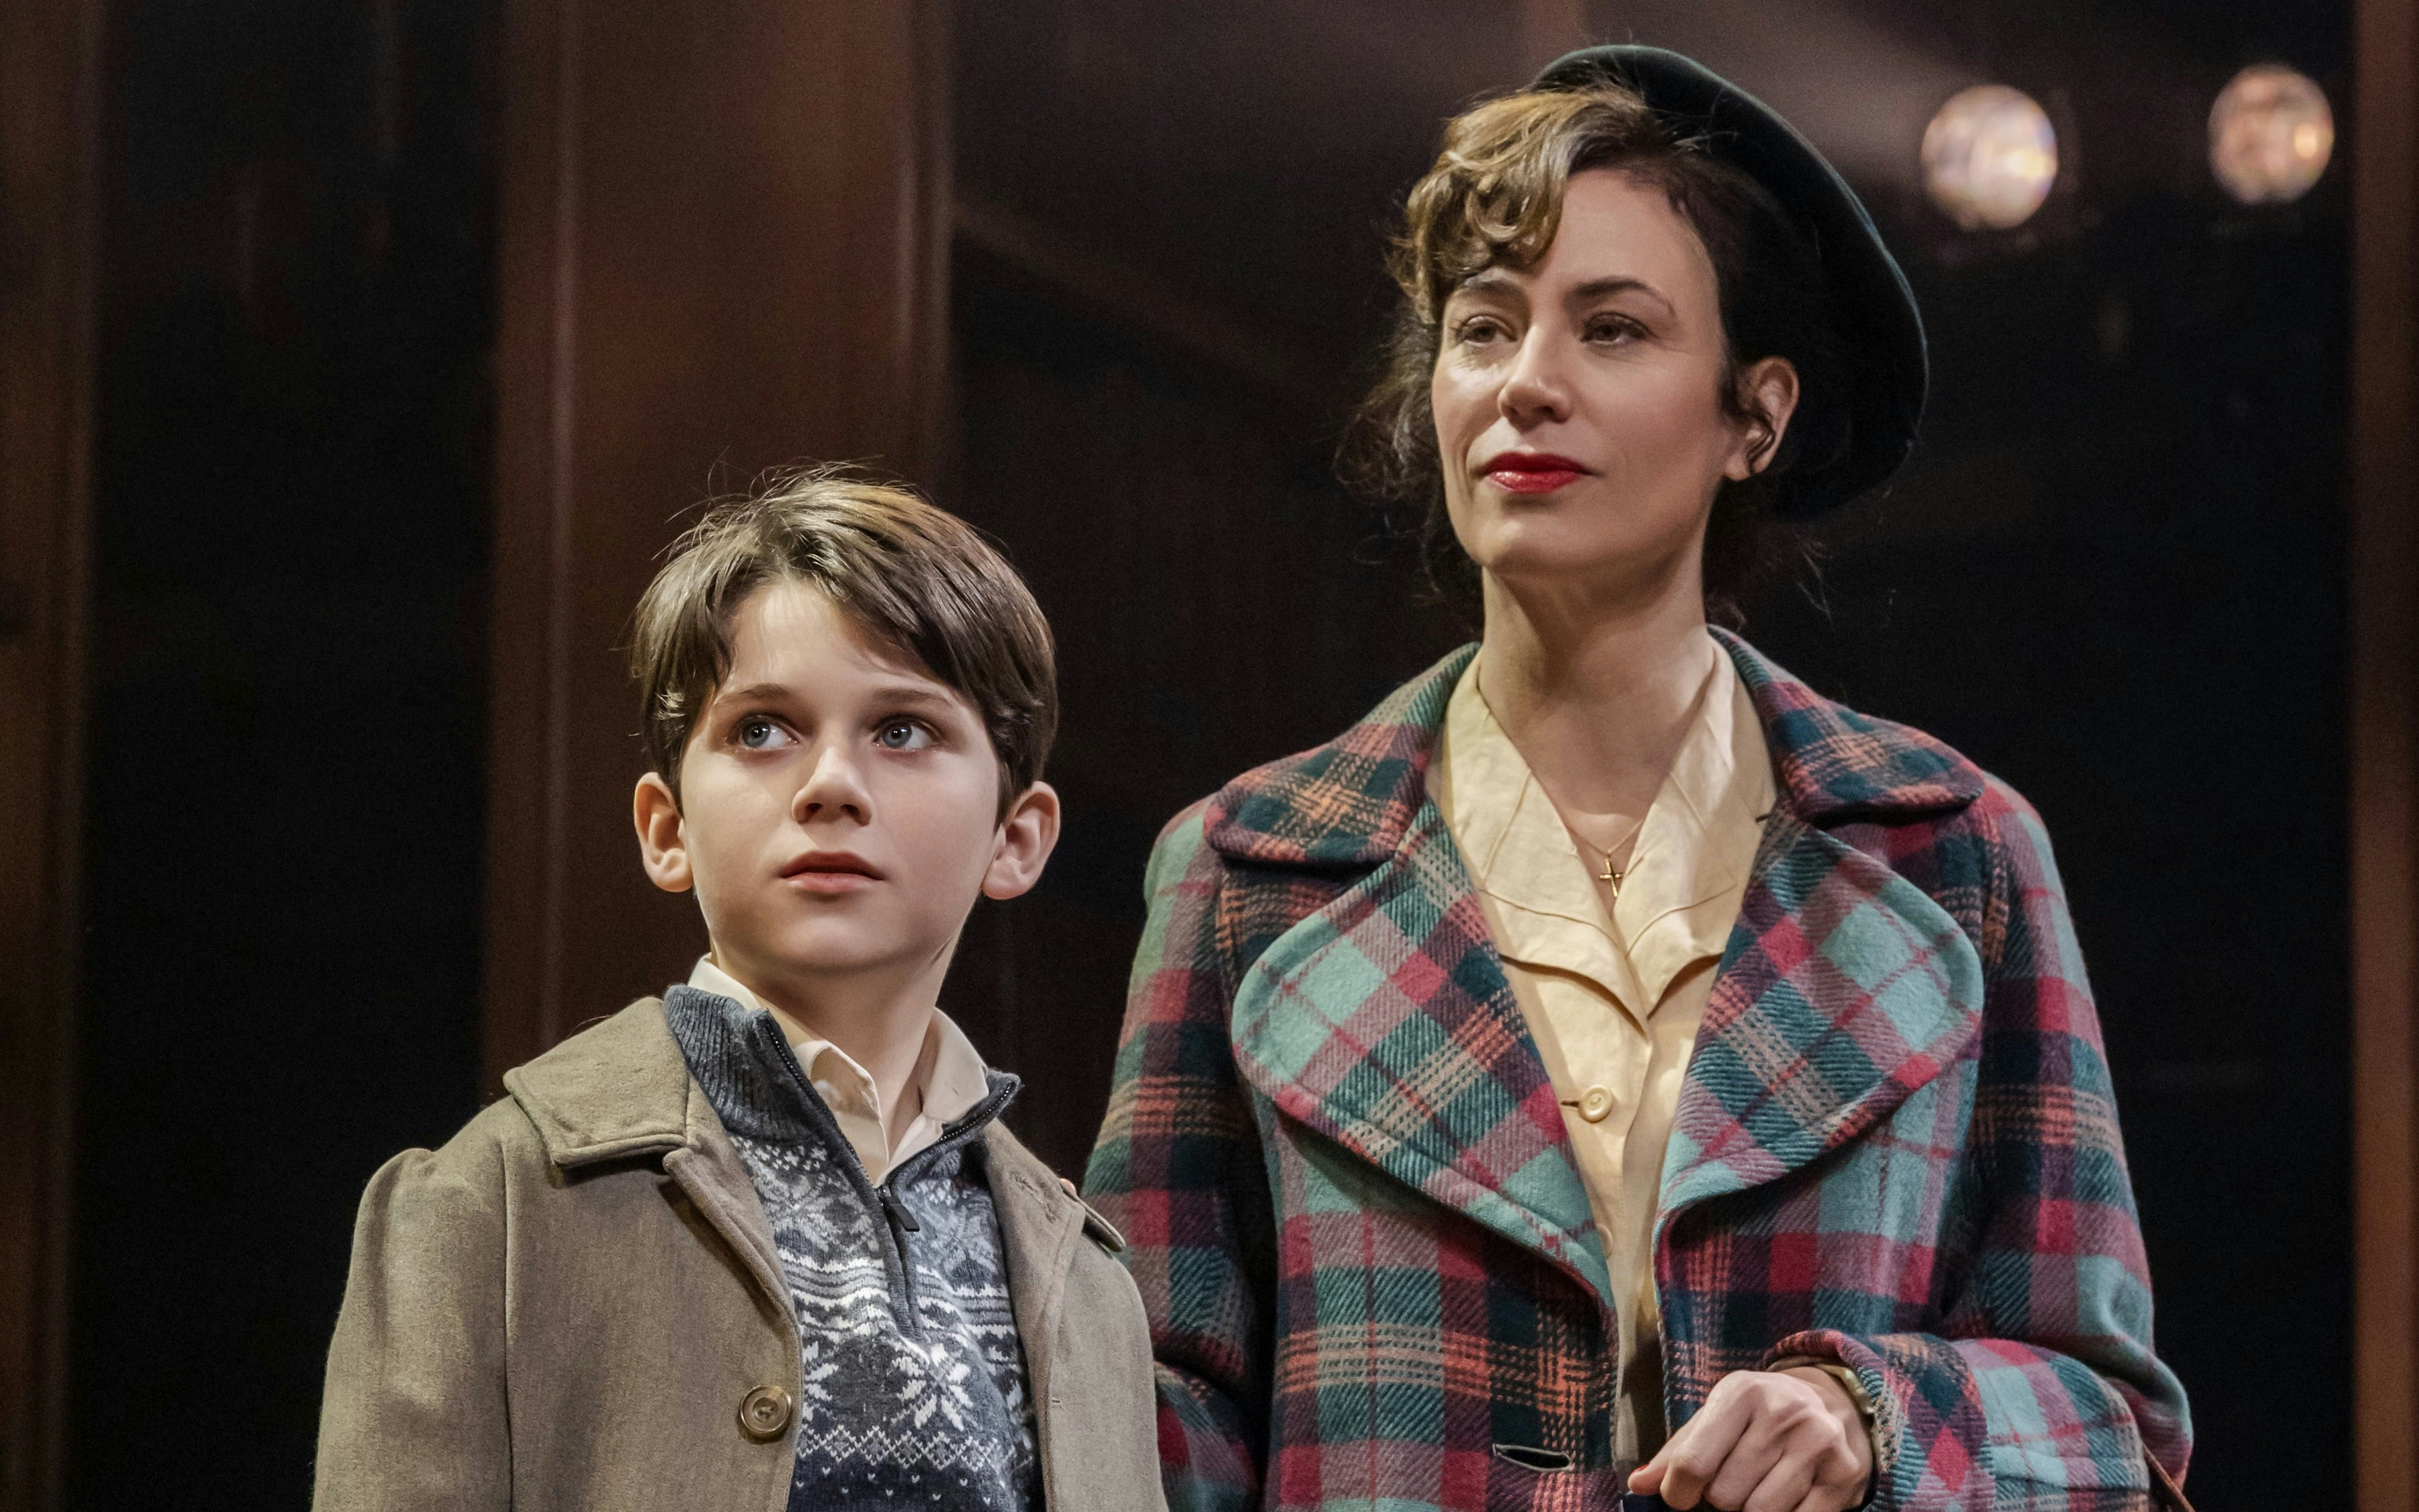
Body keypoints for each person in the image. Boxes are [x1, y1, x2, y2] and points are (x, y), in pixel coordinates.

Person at [1085, 46, 2191, 1512]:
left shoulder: (1954, 854)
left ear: (1755, 416)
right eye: (1482, 329)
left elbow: (2112, 1422)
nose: (1525, 383)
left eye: (1611, 329)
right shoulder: (1253, 870)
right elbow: (1146, 1410)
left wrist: (1871, 1417)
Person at [313, 471, 1162, 1512]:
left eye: (902, 729)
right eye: (762, 728)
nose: (830, 782)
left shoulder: (1089, 1288)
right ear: (666, 828)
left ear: (1016, 835)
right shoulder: (487, 1207)